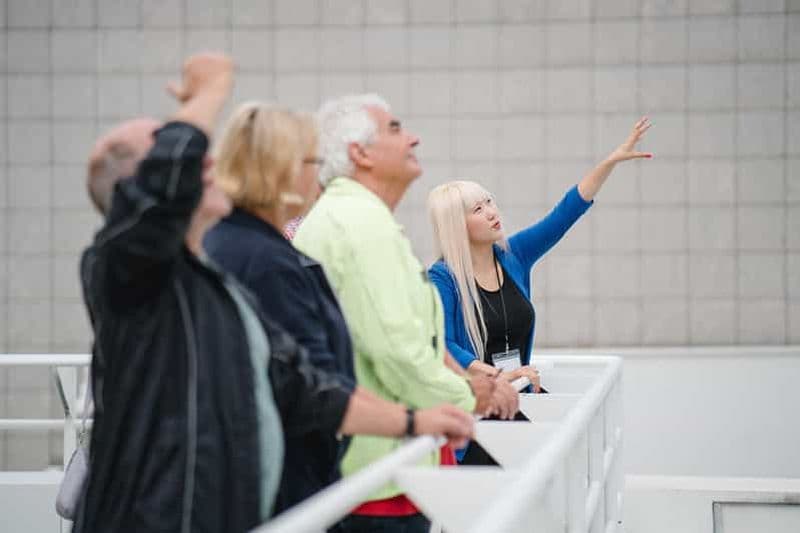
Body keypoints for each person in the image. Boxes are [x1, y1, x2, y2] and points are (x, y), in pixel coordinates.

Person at [76, 55, 474, 533]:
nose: (208, 162)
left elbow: (303, 386)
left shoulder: (213, 284)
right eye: (176, 155)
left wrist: (416, 421)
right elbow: (162, 192)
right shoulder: (122, 272)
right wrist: (207, 94)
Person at [205, 102, 474, 513]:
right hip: (306, 481)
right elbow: (313, 382)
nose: (322, 174)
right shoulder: (265, 258)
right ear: (280, 168)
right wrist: (427, 415)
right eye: (314, 160)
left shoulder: (243, 245)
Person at [293, 94, 519, 533]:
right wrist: (470, 398)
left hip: (379, 467)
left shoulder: (358, 218)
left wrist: (471, 383)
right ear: (359, 153)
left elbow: (417, 338)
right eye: (396, 128)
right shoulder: (359, 224)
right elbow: (396, 350)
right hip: (376, 477)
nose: (413, 137)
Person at [426, 117, 652, 463]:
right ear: (458, 224)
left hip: (517, 395)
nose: (491, 212)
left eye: (490, 201)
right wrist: (497, 375)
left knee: (572, 458)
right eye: (478, 208)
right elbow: (443, 344)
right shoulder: (443, 278)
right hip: (478, 411)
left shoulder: (514, 256)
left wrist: (609, 163)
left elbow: (565, 213)